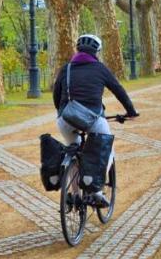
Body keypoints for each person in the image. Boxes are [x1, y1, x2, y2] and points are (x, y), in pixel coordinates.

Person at [52, 34, 138, 208]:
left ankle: (74, 195)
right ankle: (95, 192)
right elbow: (119, 91)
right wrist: (131, 112)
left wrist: (62, 113)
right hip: (93, 119)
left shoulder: (65, 69)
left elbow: (56, 95)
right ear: (97, 52)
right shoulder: (100, 68)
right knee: (106, 151)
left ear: (78, 50)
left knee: (73, 151)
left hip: (65, 118)